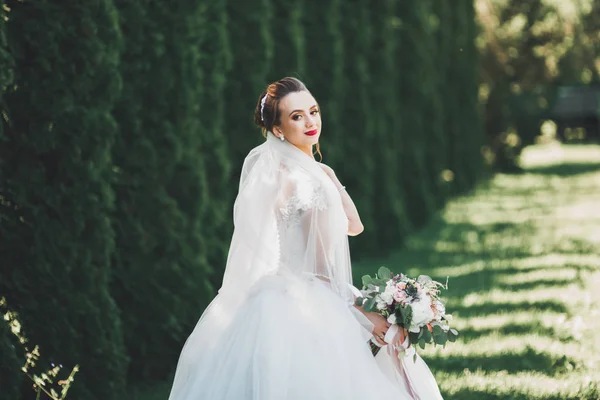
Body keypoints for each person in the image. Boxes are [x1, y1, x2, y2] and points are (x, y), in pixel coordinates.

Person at [168, 77, 442, 400]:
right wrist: (362, 313)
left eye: (313, 111)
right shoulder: (303, 184)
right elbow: (321, 265)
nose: (311, 122)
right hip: (312, 293)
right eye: (297, 116)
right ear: (278, 130)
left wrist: (329, 175)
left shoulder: (301, 174)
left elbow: (353, 225)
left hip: (280, 288)